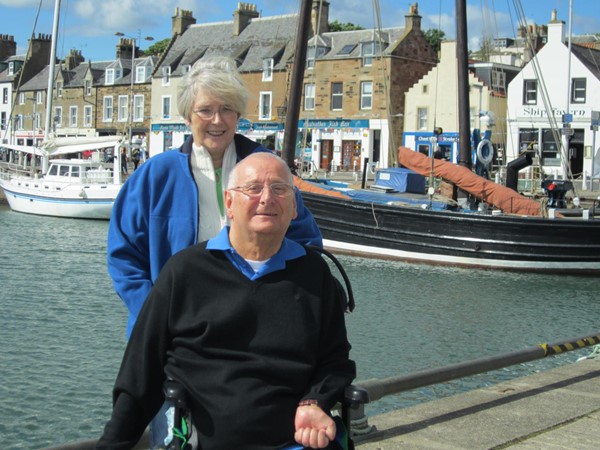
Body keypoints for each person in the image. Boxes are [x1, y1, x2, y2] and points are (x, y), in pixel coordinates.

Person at [106, 56, 322, 447]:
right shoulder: (155, 176)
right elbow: (124, 256)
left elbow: (307, 245)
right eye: (205, 110)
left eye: (227, 109)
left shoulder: (268, 170)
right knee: (172, 439)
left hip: (257, 347)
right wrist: (153, 317)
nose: (217, 120)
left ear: (240, 115)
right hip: (175, 349)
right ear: (188, 115)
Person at [98, 153, 355, 449]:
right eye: (253, 188)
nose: (267, 198)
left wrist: (315, 401)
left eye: (280, 189)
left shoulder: (315, 273)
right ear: (229, 204)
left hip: (297, 442)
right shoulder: (184, 272)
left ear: (295, 206)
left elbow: (336, 361)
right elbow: (141, 373)